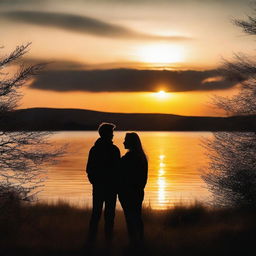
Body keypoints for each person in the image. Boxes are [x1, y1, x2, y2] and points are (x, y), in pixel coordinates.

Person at [86, 122, 120, 243]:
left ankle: (98, 241)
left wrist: (95, 181)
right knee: (103, 216)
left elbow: (89, 170)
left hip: (106, 188)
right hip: (105, 188)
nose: (113, 135)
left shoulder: (95, 149)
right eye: (111, 133)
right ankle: (101, 241)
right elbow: (90, 169)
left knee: (101, 215)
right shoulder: (113, 150)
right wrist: (96, 182)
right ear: (106, 134)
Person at [118, 132, 148, 245]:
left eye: (126, 140)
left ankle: (134, 242)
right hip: (138, 193)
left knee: (130, 219)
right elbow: (143, 179)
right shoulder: (142, 157)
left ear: (131, 142)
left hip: (128, 194)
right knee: (137, 217)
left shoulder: (128, 158)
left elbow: (120, 175)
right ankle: (140, 240)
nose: (123, 142)